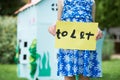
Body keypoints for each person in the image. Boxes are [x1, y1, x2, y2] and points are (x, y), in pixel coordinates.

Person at [48, 0, 103, 80]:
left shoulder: (91, 2)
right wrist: (52, 27)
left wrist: (97, 30)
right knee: (68, 74)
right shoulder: (62, 0)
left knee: (84, 75)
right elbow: (58, 21)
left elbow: (92, 23)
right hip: (68, 43)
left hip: (85, 42)